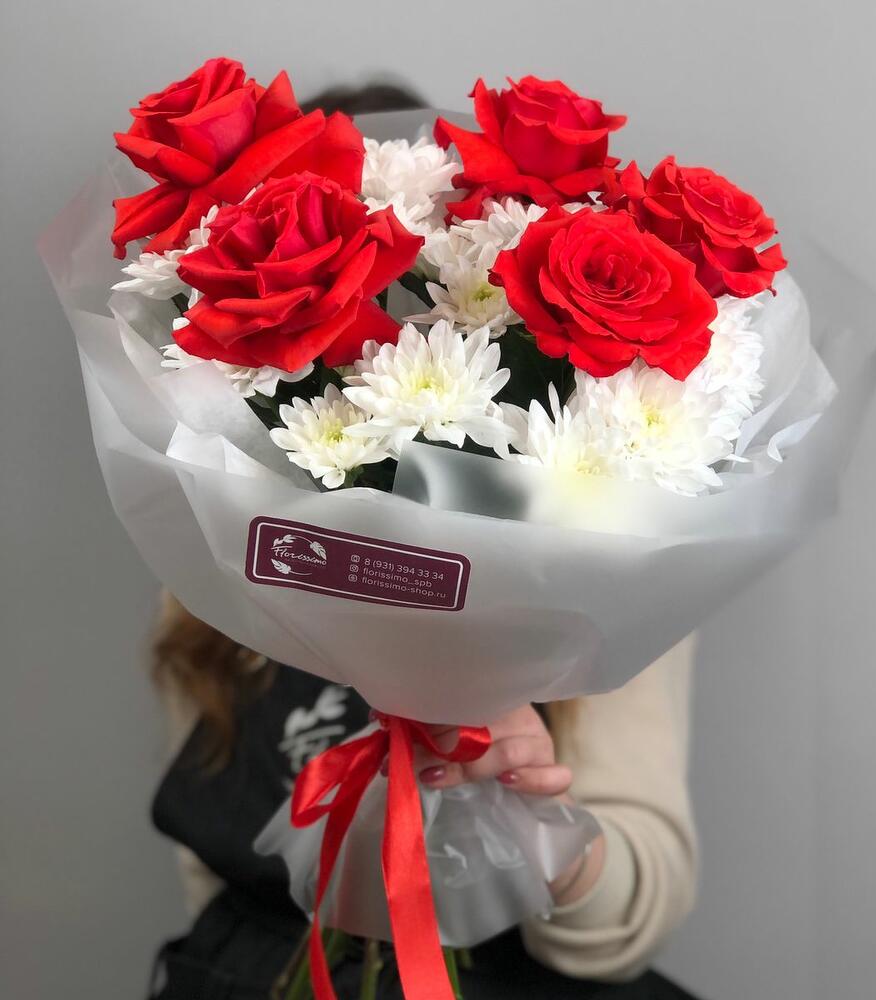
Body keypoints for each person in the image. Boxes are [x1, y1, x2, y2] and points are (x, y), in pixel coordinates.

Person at [147, 83, 702, 1000]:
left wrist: (535, 815)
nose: (372, 345)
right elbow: (214, 852)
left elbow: (628, 927)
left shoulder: (601, 541)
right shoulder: (217, 520)